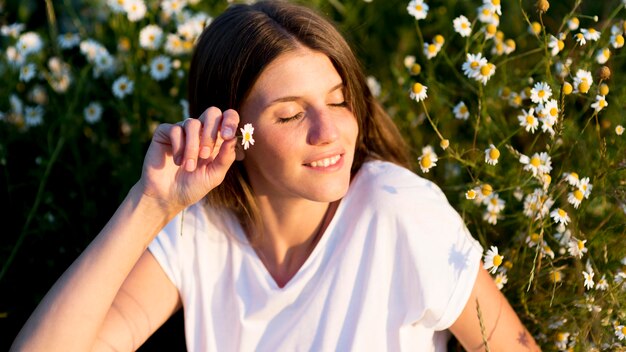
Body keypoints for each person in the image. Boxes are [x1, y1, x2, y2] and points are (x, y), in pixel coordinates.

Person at [11, 1, 540, 351]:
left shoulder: (399, 210)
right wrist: (150, 204)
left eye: (338, 100)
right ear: (233, 136)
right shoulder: (200, 228)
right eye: (290, 114)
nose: (329, 130)